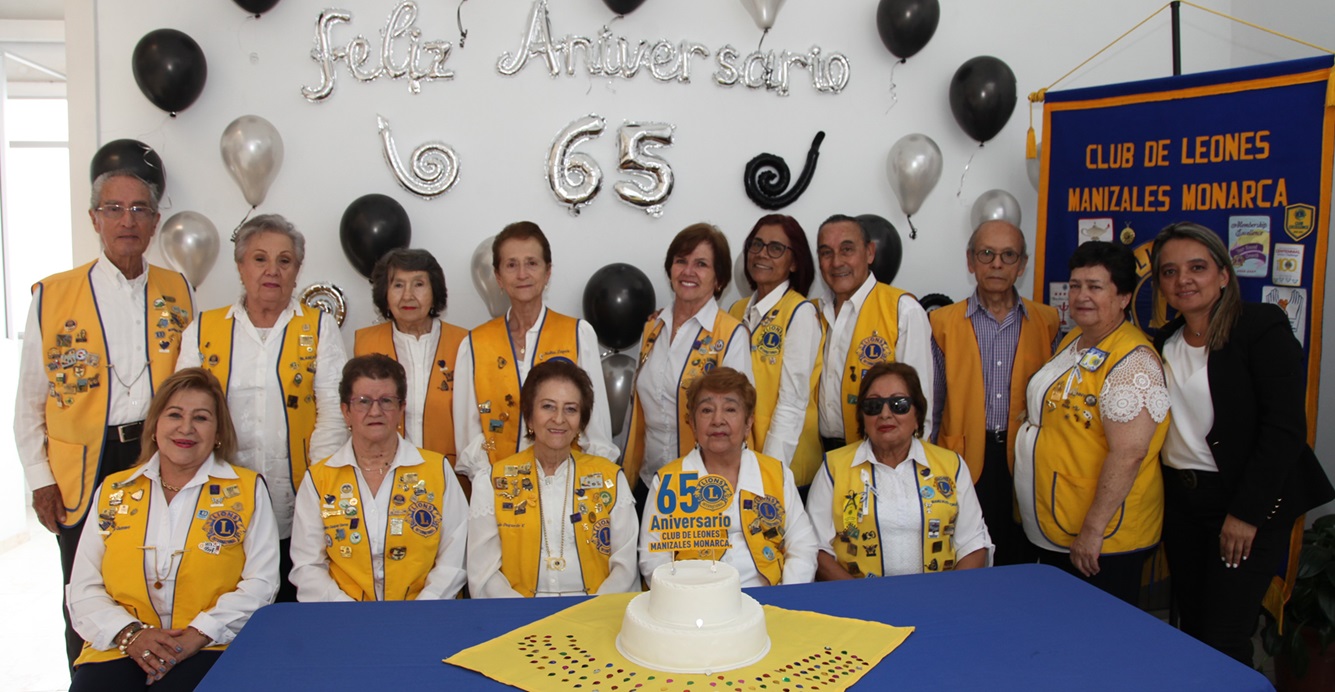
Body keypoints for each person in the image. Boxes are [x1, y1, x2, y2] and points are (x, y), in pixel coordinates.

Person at [14, 169, 195, 666]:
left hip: (158, 453)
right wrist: (39, 478)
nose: (127, 220)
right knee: (83, 582)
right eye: (113, 209)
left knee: (156, 574)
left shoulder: (176, 288)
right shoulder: (52, 295)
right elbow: (30, 397)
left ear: (155, 222)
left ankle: (158, 666)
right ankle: (88, 674)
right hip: (83, 464)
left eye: (139, 209)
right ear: (94, 218)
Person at [1150, 222, 1334, 665]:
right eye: (1170, 272)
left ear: (1224, 274)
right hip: (1182, 506)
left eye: (1197, 267)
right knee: (1192, 631)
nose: (1184, 280)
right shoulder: (1161, 342)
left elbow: (1285, 429)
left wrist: (1246, 514)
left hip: (1243, 503)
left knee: (1225, 640)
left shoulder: (1260, 327)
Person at [67, 368, 278, 690]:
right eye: (175, 415)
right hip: (119, 647)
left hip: (213, 645)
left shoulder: (248, 490)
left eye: (202, 418)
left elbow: (262, 583)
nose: (186, 428)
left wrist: (198, 634)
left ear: (219, 432)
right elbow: (83, 586)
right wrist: (131, 634)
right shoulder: (113, 490)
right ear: (154, 427)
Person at [177, 213, 347, 602]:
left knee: (292, 609)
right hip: (218, 497)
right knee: (225, 603)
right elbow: (184, 412)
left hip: (297, 500)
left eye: (284, 261)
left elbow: (334, 416)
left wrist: (313, 488)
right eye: (259, 259)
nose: (272, 270)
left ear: (297, 269)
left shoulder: (319, 328)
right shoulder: (203, 330)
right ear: (240, 266)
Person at [1014, 241, 1170, 604]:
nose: (1081, 296)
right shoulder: (1075, 338)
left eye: (1095, 287)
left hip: (1103, 536)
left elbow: (1129, 453)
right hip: (1060, 515)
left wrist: (1093, 530)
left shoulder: (1133, 362)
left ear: (1124, 297)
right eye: (1075, 285)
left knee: (1098, 637)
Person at [930, 220, 1060, 565]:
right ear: (971, 261)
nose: (997, 264)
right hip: (962, 457)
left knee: (1019, 554)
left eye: (1008, 255)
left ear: (1022, 264)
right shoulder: (941, 323)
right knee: (964, 551)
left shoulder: (1048, 322)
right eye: (987, 254)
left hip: (1025, 457)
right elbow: (932, 403)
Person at [291, 355, 468, 601]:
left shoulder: (437, 470)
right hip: (343, 620)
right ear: (346, 411)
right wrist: (352, 615)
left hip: (426, 616)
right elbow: (307, 566)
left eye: (386, 401)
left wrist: (421, 610)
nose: (375, 411)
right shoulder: (319, 479)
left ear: (401, 409)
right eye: (363, 401)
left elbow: (455, 556)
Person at [452, 221, 617, 487]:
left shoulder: (577, 334)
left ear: (547, 271)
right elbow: (471, 433)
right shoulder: (475, 344)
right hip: (499, 489)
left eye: (531, 263)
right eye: (511, 265)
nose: (522, 274)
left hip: (567, 488)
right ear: (498, 277)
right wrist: (490, 482)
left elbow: (595, 430)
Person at [468, 359, 638, 597]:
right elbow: (483, 571)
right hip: (517, 618)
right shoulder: (492, 481)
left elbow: (625, 568)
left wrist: (592, 612)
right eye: (548, 406)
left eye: (570, 409)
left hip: (594, 615)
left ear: (581, 421)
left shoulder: (610, 478)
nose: (559, 419)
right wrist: (523, 616)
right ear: (529, 415)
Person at [811, 362, 991, 578]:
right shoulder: (833, 467)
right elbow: (817, 548)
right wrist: (858, 596)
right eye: (873, 405)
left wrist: (948, 596)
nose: (885, 414)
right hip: (857, 599)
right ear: (862, 416)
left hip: (938, 597)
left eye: (899, 404)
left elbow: (973, 544)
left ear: (917, 415)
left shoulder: (951, 465)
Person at [639, 368, 816, 585]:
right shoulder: (668, 481)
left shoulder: (776, 475)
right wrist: (687, 600)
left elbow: (803, 546)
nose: (718, 420)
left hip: (770, 601)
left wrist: (785, 597)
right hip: (693, 603)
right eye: (706, 410)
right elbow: (653, 558)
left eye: (730, 409)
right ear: (692, 424)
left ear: (748, 423)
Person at [625, 223, 754, 510]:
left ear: (718, 280)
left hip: (704, 488)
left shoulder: (732, 335)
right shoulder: (653, 328)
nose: (688, 271)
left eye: (701, 264)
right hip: (649, 482)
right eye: (681, 261)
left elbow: (737, 419)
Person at [815, 214, 934, 452]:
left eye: (847, 249)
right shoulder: (812, 312)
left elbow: (921, 409)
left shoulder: (903, 311)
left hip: (880, 455)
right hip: (819, 454)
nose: (836, 262)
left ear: (869, 253)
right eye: (826, 252)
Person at [727, 214, 825, 490]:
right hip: (741, 460)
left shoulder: (800, 312)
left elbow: (792, 403)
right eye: (756, 245)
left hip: (785, 466)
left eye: (776, 248)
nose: (762, 254)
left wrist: (768, 472)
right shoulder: (736, 310)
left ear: (794, 262)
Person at [354, 249, 469, 481]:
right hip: (382, 478)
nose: (407, 296)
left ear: (434, 291)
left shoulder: (465, 344)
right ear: (384, 292)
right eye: (398, 285)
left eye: (418, 284)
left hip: (451, 479)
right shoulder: (364, 344)